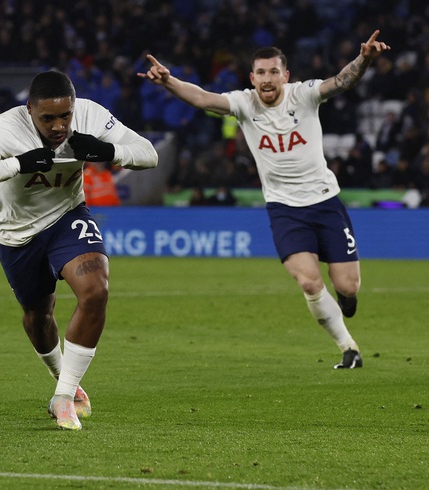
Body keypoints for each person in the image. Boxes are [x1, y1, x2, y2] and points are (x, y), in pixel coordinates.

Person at [139, 30, 392, 369]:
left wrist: (363, 60)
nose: (267, 79)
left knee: (348, 285)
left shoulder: (303, 95)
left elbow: (340, 82)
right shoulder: (245, 103)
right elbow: (202, 98)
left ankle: (346, 300)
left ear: (285, 76)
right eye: (261, 73)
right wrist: (169, 81)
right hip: (285, 209)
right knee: (309, 280)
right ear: (252, 77)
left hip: (325, 201)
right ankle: (348, 348)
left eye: (274, 72)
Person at [0, 70, 158, 430]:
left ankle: (63, 396)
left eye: (66, 115)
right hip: (16, 232)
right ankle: (62, 378)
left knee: (96, 289)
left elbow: (147, 154)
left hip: (66, 216)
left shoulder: (90, 113)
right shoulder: (6, 128)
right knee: (39, 316)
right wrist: (18, 164)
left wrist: (108, 151)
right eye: (48, 118)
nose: (59, 126)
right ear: (29, 110)